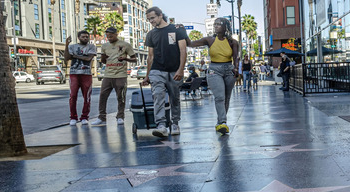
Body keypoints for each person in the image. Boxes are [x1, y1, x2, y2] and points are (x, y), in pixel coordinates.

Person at [186, 17, 239, 135]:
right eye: (215, 24)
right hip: (214, 70)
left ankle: (220, 122)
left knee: (226, 97)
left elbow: (236, 57)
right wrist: (182, 33)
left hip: (229, 70)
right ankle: (223, 122)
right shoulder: (209, 40)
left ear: (226, 27)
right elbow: (190, 44)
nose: (216, 26)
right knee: (219, 97)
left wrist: (236, 68)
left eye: (219, 24)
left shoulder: (233, 42)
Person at [141, 6, 187, 137]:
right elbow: (150, 56)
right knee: (158, 96)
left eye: (153, 18)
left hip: (174, 70)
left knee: (175, 98)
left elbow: (183, 51)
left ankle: (175, 123)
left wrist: (181, 69)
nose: (151, 21)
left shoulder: (177, 30)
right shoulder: (151, 34)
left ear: (160, 15)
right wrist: (147, 76)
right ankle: (161, 125)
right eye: (149, 19)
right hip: (157, 70)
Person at [91, 27, 137, 126]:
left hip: (121, 75)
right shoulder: (104, 46)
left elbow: (134, 59)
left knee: (121, 97)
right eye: (108, 36)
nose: (109, 38)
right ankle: (101, 117)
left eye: (111, 36)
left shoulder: (125, 45)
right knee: (103, 96)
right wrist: (103, 59)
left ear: (116, 34)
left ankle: (120, 117)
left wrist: (125, 59)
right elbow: (103, 60)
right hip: (108, 75)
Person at [64, 30, 97, 126]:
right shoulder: (72, 46)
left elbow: (88, 58)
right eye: (83, 37)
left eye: (87, 37)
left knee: (87, 96)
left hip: (86, 74)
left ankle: (84, 117)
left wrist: (74, 56)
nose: (85, 38)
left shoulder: (91, 46)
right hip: (74, 73)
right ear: (78, 37)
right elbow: (66, 58)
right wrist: (66, 45)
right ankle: (73, 117)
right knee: (73, 96)